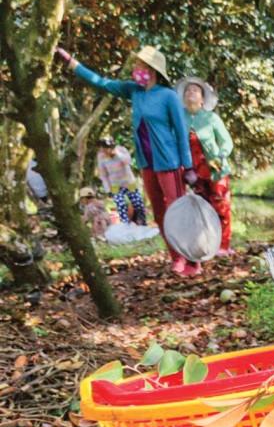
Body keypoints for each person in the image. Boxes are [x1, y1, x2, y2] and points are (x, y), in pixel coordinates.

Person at [55, 43, 200, 276]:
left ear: (151, 69)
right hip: (147, 164)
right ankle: (176, 257)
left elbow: (181, 132)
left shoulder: (169, 96)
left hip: (169, 164)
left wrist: (189, 165)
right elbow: (102, 82)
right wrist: (74, 64)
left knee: (177, 212)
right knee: (160, 213)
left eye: (140, 65)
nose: (135, 68)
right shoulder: (134, 91)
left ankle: (192, 259)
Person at [176, 75, 235, 256]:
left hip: (214, 169)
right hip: (191, 172)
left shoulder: (211, 118)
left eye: (195, 90)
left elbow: (227, 142)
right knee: (199, 210)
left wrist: (220, 156)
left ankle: (223, 246)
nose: (190, 93)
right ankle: (203, 246)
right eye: (187, 91)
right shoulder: (179, 118)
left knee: (220, 205)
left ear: (203, 98)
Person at [96, 135, 146, 225]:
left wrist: (117, 154)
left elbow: (128, 161)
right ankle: (125, 225)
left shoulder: (121, 150)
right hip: (115, 184)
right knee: (120, 204)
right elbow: (103, 175)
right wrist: (108, 189)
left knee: (137, 202)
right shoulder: (100, 156)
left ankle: (142, 223)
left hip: (129, 182)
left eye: (106, 148)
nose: (104, 150)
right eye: (102, 148)